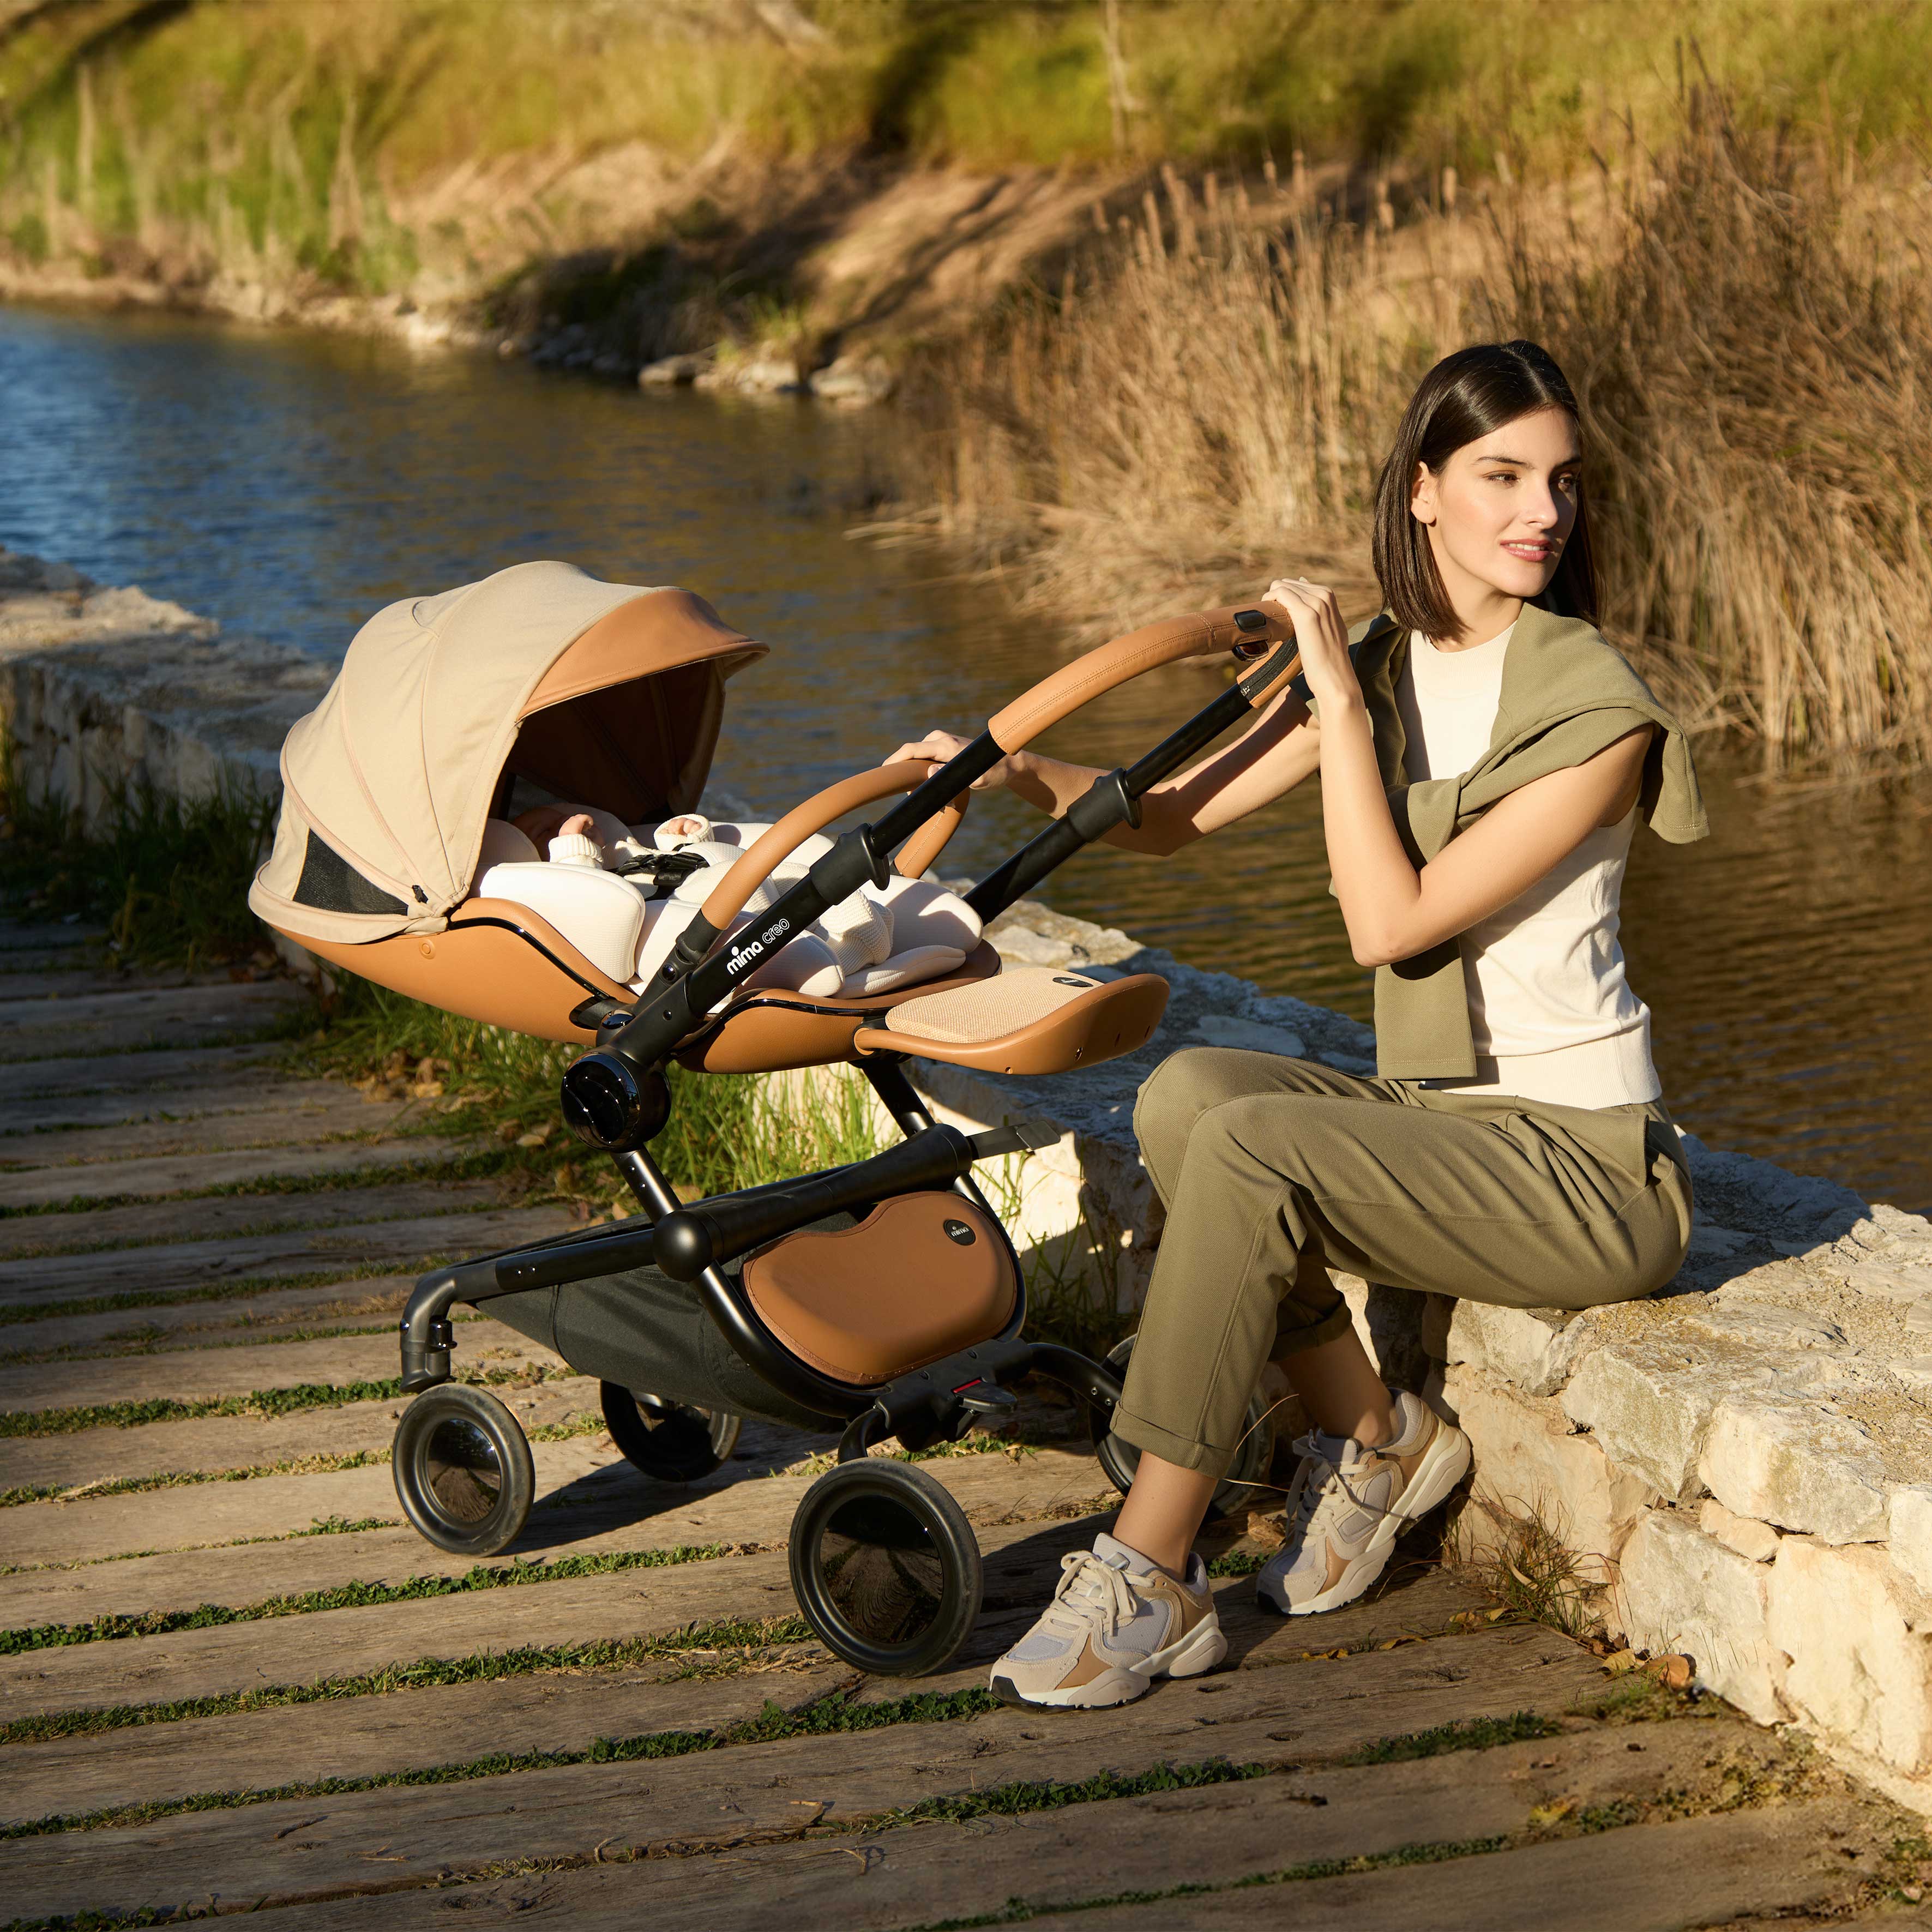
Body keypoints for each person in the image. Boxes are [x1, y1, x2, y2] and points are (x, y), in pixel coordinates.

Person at [884, 339, 1706, 1711]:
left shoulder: (1595, 710)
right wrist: (1011, 765)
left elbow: (1393, 924)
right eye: (1501, 475)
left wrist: (1333, 706)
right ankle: (1374, 1435)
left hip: (1584, 1171)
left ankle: (1147, 1571)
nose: (1540, 511)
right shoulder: (1384, 662)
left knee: (1258, 1152)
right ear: (1423, 489)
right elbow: (1169, 815)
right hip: (1448, 1126)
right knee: (1187, 1097)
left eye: (1559, 481)